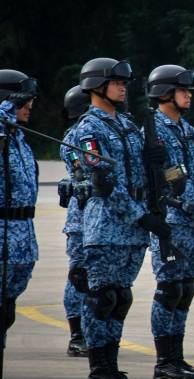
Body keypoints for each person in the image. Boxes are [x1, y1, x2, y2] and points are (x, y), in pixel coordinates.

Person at [73, 57, 169, 379]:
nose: (123, 87)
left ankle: (112, 367)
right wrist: (140, 215)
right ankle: (98, 372)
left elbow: (140, 173)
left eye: (123, 82)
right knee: (103, 298)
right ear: (97, 86)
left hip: (131, 228)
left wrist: (153, 161)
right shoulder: (89, 129)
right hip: (107, 225)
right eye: (116, 82)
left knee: (121, 298)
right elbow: (104, 183)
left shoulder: (127, 124)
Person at [145, 64, 194, 379]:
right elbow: (173, 183)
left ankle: (177, 357)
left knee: (185, 291)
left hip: (192, 227)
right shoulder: (155, 132)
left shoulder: (187, 130)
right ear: (165, 94)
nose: (189, 95)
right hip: (174, 223)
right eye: (183, 90)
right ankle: (165, 362)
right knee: (169, 290)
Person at [0, 69, 39, 379]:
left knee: (7, 311)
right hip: (2, 231)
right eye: (24, 100)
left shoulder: (18, 138)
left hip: (22, 233)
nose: (30, 107)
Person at [58, 84, 91, 358]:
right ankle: (76, 335)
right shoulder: (72, 138)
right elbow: (79, 172)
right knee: (79, 276)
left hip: (99, 219)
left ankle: (91, 331)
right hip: (81, 220)